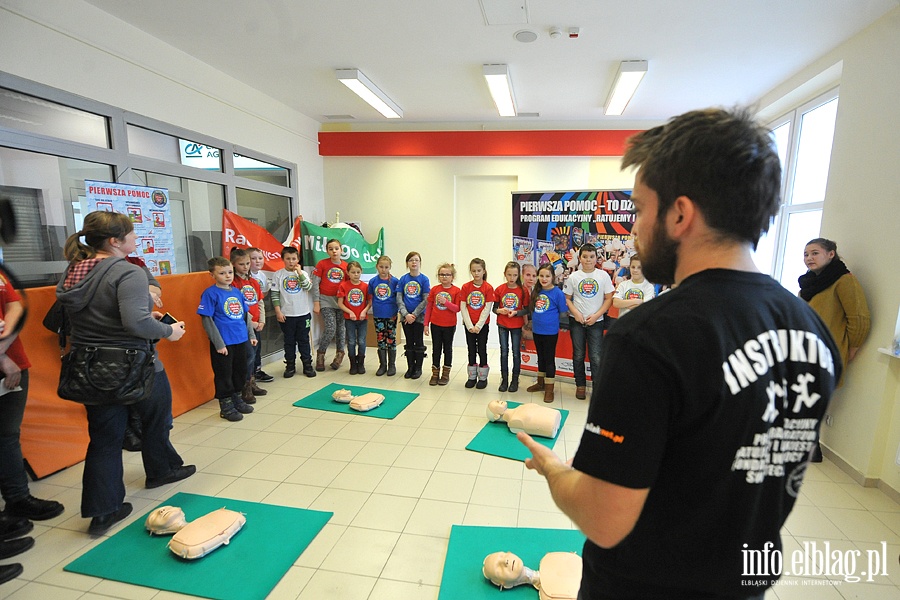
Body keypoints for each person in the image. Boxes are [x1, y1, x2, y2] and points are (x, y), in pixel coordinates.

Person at [517, 108, 841, 599]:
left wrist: (554, 470)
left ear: (680, 214)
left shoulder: (649, 338)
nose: (635, 229)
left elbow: (605, 522)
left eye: (641, 210)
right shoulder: (812, 331)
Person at [56, 211, 195, 535]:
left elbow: (107, 315)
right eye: (131, 235)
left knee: (104, 439)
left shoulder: (75, 271)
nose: (135, 239)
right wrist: (168, 330)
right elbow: (135, 323)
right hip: (134, 365)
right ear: (116, 241)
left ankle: (103, 511)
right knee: (158, 417)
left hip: (90, 368)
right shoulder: (127, 273)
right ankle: (161, 470)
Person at [799, 238, 870, 376]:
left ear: (831, 254)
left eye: (815, 253)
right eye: (806, 254)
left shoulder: (844, 280)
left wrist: (852, 348)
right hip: (804, 348)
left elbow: (859, 318)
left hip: (827, 351)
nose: (809, 258)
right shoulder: (808, 283)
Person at [197, 257, 256, 421]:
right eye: (222, 273)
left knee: (240, 371)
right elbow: (206, 319)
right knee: (224, 374)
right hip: (223, 343)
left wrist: (250, 335)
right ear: (212, 275)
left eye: (229, 272)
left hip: (240, 340)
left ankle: (237, 399)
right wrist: (218, 343)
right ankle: (226, 406)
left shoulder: (236, 291)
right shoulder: (210, 293)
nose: (227, 276)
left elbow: (245, 315)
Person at [563, 243, 614, 400]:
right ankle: (580, 385)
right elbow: (567, 299)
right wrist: (576, 313)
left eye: (591, 257)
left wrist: (597, 314)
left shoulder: (603, 276)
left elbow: (609, 298)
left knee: (596, 356)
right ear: (580, 258)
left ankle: (597, 388)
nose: (588, 260)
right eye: (585, 257)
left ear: (596, 258)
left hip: (596, 321)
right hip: (576, 321)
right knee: (578, 354)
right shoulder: (573, 277)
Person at [270, 246, 315, 378]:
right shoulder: (278, 275)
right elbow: (275, 295)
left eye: (294, 259)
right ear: (283, 259)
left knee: (304, 340)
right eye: (288, 259)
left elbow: (308, 287)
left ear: (298, 259)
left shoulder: (303, 274)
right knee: (289, 341)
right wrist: (278, 311)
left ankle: (307, 365)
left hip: (303, 314)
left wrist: (299, 273)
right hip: (287, 315)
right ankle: (290, 365)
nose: (291, 261)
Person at [526, 264, 568, 403]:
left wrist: (558, 324)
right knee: (541, 357)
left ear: (553, 277)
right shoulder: (536, 291)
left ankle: (549, 389)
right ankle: (541, 383)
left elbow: (563, 313)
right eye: (542, 276)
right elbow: (532, 310)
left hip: (550, 332)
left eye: (547, 276)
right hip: (537, 330)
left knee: (549, 359)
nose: (544, 279)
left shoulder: (557, 293)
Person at [230, 248, 266, 403]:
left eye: (247, 263)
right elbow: (238, 307)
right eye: (241, 264)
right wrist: (251, 322)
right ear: (233, 264)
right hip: (243, 325)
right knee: (248, 356)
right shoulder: (233, 283)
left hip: (256, 324)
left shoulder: (253, 282)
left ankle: (252, 382)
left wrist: (262, 320)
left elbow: (259, 302)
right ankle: (244, 387)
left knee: (255, 354)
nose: (245, 267)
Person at [312, 239, 348, 371]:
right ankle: (321, 354)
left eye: (336, 248)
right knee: (330, 328)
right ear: (327, 251)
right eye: (331, 249)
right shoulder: (322, 264)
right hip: (326, 300)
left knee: (341, 329)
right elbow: (315, 284)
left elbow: (350, 285)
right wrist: (316, 302)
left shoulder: (346, 266)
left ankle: (339, 354)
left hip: (341, 302)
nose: (334, 251)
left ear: (341, 250)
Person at [493, 262, 529, 392]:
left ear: (518, 275)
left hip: (516, 325)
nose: (512, 277)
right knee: (504, 352)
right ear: (505, 274)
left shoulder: (523, 290)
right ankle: (504, 379)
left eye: (514, 275)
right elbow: (494, 308)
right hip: (502, 324)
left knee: (516, 353)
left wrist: (517, 313)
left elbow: (526, 310)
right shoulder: (500, 289)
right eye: (509, 275)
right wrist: (500, 311)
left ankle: (515, 380)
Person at [460, 258, 494, 389]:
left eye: (479, 270)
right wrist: (469, 325)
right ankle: (472, 376)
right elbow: (463, 307)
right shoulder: (466, 287)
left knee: (481, 349)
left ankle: (483, 377)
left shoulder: (488, 288)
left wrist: (478, 325)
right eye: (473, 271)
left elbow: (487, 308)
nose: (476, 273)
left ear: (484, 271)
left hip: (482, 326)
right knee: (471, 349)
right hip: (469, 325)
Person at [424, 263, 460, 386]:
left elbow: (457, 308)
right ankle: (435, 373)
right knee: (436, 349)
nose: (444, 277)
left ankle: (445, 374)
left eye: (447, 275)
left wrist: (446, 302)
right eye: (441, 275)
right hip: (435, 324)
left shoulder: (456, 291)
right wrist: (425, 324)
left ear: (452, 277)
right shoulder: (434, 289)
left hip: (449, 325)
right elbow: (429, 307)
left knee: (447, 349)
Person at [396, 251, 430, 379]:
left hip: (419, 316)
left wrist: (414, 314)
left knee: (418, 341)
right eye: (411, 260)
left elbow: (426, 299)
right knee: (409, 342)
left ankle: (418, 368)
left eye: (416, 260)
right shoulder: (403, 279)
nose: (414, 262)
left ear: (420, 263)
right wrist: (406, 314)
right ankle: (410, 367)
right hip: (405, 316)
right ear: (407, 263)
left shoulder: (424, 279)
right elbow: (399, 298)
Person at [367, 255, 399, 376]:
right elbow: (370, 298)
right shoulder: (373, 281)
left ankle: (392, 365)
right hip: (378, 314)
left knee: (391, 339)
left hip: (391, 314)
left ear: (390, 267)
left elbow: (398, 297)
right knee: (380, 339)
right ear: (377, 267)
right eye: (381, 267)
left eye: (386, 267)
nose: (383, 269)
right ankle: (382, 365)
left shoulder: (395, 281)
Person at [337, 260, 370, 375]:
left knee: (361, 341)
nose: (356, 274)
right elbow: (340, 303)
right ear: (348, 273)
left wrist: (364, 311)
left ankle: (361, 363)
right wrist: (350, 312)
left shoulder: (365, 286)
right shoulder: (343, 286)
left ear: (361, 272)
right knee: (351, 341)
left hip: (362, 319)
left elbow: (369, 302)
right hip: (349, 319)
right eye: (353, 272)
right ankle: (353, 364)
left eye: (358, 272)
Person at [247, 247, 274, 382]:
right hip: (247, 320)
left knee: (257, 347)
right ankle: (249, 376)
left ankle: (257, 370)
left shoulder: (262, 276)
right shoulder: (246, 278)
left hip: (258, 318)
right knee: (249, 350)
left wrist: (261, 320)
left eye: (260, 258)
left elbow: (262, 297)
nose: (257, 261)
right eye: (253, 258)